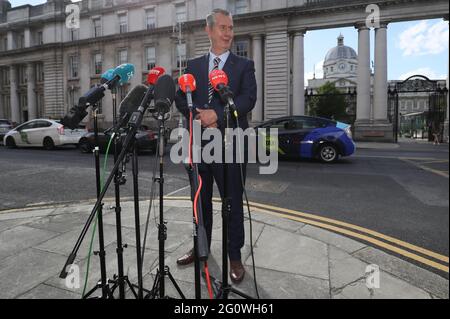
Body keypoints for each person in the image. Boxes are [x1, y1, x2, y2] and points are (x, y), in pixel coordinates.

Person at [174, 8, 257, 283]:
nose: (228, 33)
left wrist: (217, 116)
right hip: (199, 145)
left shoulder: (244, 66)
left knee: (232, 202)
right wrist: (196, 112)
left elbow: (248, 100)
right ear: (208, 31)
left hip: (231, 144)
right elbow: (180, 96)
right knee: (200, 203)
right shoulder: (194, 66)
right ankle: (201, 249)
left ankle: (234, 255)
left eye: (230, 28)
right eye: (222, 27)